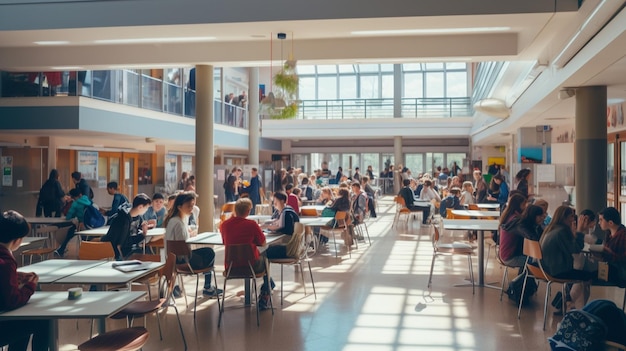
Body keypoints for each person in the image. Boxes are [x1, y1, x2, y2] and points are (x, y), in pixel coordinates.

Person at [0, 210, 50, 351]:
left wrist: (14, 275)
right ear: (17, 241)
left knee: (23, 318)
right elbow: (12, 301)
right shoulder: (7, 261)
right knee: (44, 320)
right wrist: (30, 286)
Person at [164, 192, 222, 297]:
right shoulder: (179, 223)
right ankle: (208, 287)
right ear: (180, 207)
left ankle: (208, 287)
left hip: (173, 259)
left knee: (207, 251)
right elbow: (183, 246)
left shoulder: (174, 220)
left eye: (192, 205)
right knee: (209, 252)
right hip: (184, 261)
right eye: (189, 206)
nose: (192, 208)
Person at [219, 198, 272, 309]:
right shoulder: (251, 225)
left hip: (231, 267)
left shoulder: (224, 225)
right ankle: (266, 291)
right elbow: (262, 243)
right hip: (251, 266)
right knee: (265, 257)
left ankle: (268, 285)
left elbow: (225, 242)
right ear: (248, 211)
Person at [540, 206, 595, 309]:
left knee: (582, 275)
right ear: (564, 217)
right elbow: (575, 248)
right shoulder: (561, 231)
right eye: (571, 216)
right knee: (587, 277)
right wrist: (580, 231)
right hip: (556, 270)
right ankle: (573, 305)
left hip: (545, 268)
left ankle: (567, 303)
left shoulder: (551, 228)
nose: (573, 219)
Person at [101, 193, 151, 260]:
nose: (147, 210)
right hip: (118, 252)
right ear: (140, 207)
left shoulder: (138, 217)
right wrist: (143, 234)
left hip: (128, 250)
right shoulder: (122, 219)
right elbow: (122, 242)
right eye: (146, 208)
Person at [54, 188, 91, 257]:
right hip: (91, 224)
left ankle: (61, 249)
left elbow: (69, 216)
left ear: (73, 197)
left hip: (82, 225)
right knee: (74, 231)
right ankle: (89, 250)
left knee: (71, 231)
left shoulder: (75, 203)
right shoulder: (88, 199)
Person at [262, 192, 300, 259]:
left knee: (263, 252)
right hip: (293, 247)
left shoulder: (286, 213)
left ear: (282, 201)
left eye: (276, 201)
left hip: (287, 248)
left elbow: (280, 227)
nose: (274, 204)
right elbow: (275, 221)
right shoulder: (285, 211)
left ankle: (263, 269)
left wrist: (265, 227)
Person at [597, 207, 626, 285]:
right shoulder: (609, 234)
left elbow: (623, 259)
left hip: (618, 275)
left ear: (610, 223)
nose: (599, 223)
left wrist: (610, 253)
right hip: (609, 271)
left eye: (601, 220)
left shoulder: (623, 235)